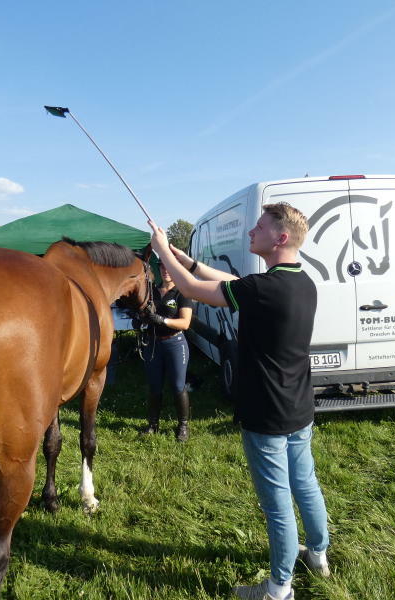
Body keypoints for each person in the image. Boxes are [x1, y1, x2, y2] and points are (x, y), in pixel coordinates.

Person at [149, 203, 330, 600]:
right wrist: (188, 260)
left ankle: (279, 588)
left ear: (280, 238)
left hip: (266, 412)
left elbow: (196, 291)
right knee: (305, 483)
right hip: (298, 406)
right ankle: (318, 554)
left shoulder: (263, 289)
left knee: (278, 503)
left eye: (260, 227)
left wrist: (162, 251)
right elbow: (229, 281)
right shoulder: (300, 281)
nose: (252, 231)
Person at [139, 262, 194, 442]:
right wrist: (140, 320)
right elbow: (142, 312)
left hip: (175, 343)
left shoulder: (181, 292)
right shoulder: (152, 291)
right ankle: (153, 425)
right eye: (162, 267)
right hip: (154, 343)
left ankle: (183, 426)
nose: (165, 271)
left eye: (168, 267)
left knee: (178, 386)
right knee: (154, 386)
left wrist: (162, 320)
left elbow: (185, 323)